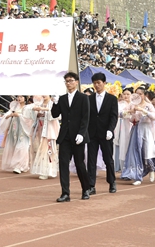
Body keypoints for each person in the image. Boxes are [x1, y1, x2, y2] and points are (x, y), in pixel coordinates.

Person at [51, 72, 91, 202]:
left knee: (79, 164)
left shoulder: (83, 98)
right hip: (65, 136)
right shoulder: (62, 98)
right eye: (66, 81)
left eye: (71, 81)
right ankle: (65, 193)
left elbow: (85, 117)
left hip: (78, 136)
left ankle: (86, 189)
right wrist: (55, 103)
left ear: (76, 82)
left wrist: (81, 133)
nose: (68, 83)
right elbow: (54, 114)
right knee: (63, 164)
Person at [121, 86, 155, 185]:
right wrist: (130, 112)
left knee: (148, 151)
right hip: (135, 129)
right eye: (136, 94)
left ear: (144, 95)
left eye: (140, 94)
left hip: (146, 130)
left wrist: (143, 111)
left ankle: (151, 169)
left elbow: (154, 117)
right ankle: (137, 176)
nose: (138, 96)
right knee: (135, 152)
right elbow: (121, 114)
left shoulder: (148, 105)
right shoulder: (131, 105)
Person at [86, 73, 119, 194]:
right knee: (91, 160)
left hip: (106, 133)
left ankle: (112, 182)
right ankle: (91, 185)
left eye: (99, 83)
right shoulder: (89, 99)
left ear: (104, 83)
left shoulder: (112, 99)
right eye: (95, 83)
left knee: (108, 159)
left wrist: (110, 130)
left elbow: (114, 116)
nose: (97, 85)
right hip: (92, 134)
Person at [25, 95, 60, 179]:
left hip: (48, 130)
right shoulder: (38, 104)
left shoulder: (53, 104)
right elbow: (27, 112)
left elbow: (57, 116)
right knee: (37, 149)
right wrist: (36, 113)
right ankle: (40, 169)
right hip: (39, 129)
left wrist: (45, 110)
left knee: (46, 150)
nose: (44, 95)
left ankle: (46, 171)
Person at [0, 95, 32, 174]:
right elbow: (6, 116)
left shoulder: (27, 108)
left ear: (25, 98)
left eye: (21, 97)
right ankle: (22, 165)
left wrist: (19, 115)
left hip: (23, 131)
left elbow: (29, 119)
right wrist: (10, 115)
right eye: (18, 97)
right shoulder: (14, 107)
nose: (19, 98)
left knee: (22, 148)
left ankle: (19, 166)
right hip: (14, 129)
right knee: (14, 147)